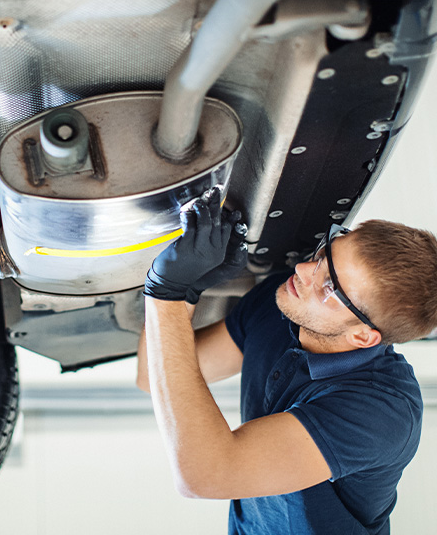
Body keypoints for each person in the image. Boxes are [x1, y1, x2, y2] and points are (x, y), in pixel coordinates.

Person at [137, 187, 437, 535]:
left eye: (328, 287)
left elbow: (204, 475)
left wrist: (166, 295)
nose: (303, 269)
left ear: (363, 337)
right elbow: (151, 374)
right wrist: (187, 292)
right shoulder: (281, 303)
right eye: (324, 255)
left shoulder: (382, 411)